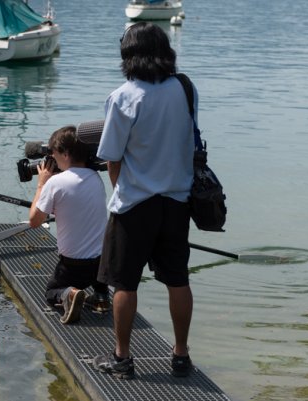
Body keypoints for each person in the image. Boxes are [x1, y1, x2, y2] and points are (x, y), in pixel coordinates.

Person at [93, 22, 196, 379]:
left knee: (124, 283)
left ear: (127, 55)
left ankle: (122, 358)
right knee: (177, 279)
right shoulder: (184, 89)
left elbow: (112, 158)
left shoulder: (123, 96)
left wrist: (123, 191)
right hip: (178, 200)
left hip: (136, 203)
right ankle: (181, 355)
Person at [28, 125, 111, 325]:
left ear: (65, 154)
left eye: (54, 155)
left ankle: (70, 295)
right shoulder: (96, 178)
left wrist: (41, 184)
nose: (52, 160)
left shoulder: (55, 184)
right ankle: (100, 297)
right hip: (101, 263)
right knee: (97, 266)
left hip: (73, 265)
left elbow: (34, 221)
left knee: (50, 292)